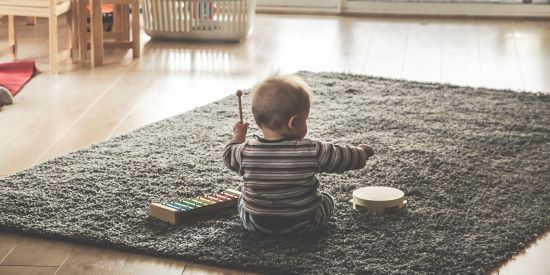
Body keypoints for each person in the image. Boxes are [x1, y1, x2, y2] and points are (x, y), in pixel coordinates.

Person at [223, 74, 374, 235]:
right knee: (328, 199)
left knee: (241, 199)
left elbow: (228, 155)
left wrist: (238, 136)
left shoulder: (245, 151)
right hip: (304, 223)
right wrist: (361, 153)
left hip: (256, 223)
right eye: (305, 119)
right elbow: (342, 157)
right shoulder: (311, 150)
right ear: (293, 123)